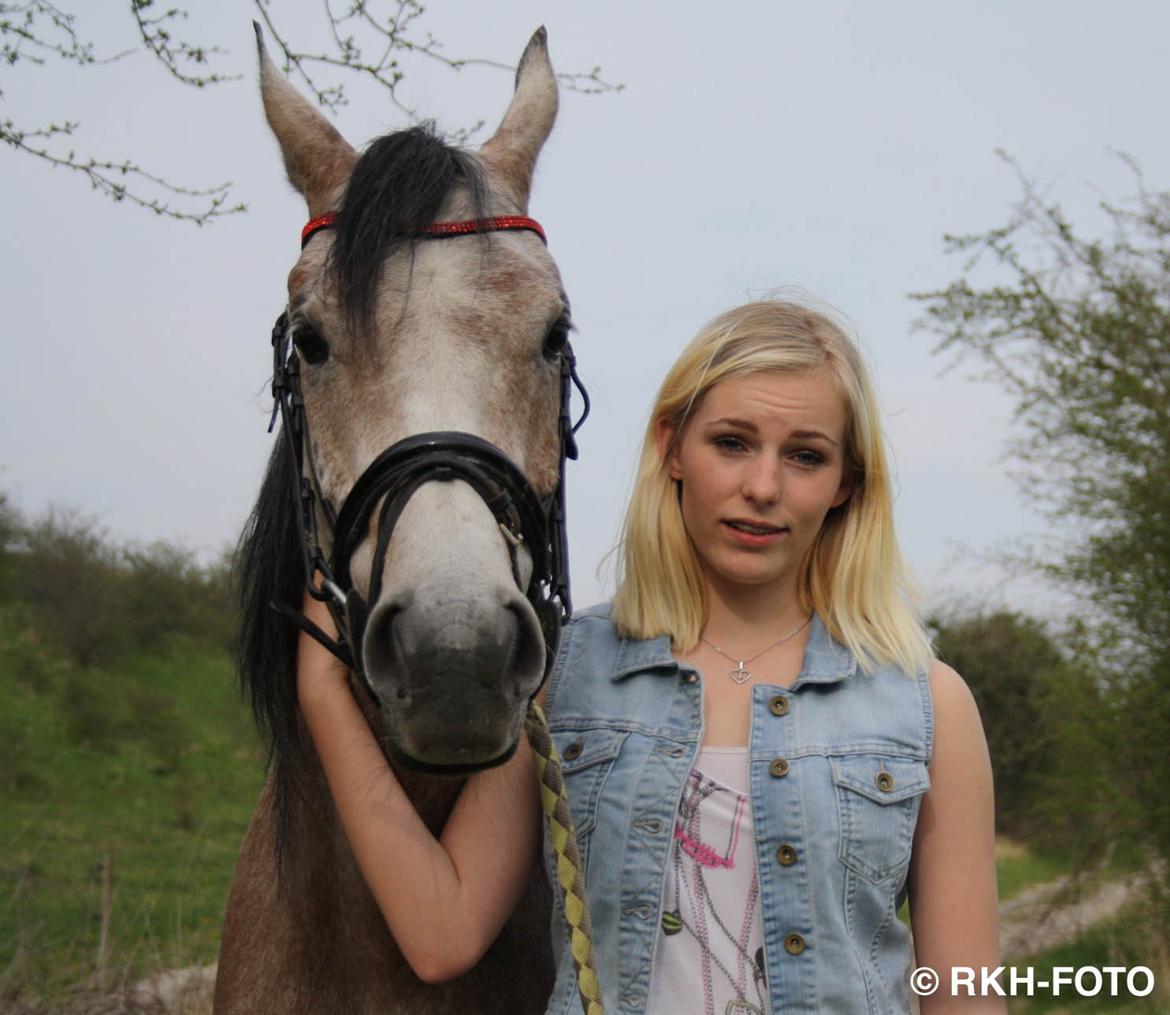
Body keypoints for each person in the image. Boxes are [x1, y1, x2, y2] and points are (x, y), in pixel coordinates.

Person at [297, 298, 1003, 1013]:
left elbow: (965, 995)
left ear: (846, 482)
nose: (762, 487)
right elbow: (442, 930)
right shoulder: (565, 675)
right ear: (672, 446)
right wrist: (323, 689)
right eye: (732, 442)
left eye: (805, 456)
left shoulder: (926, 703)